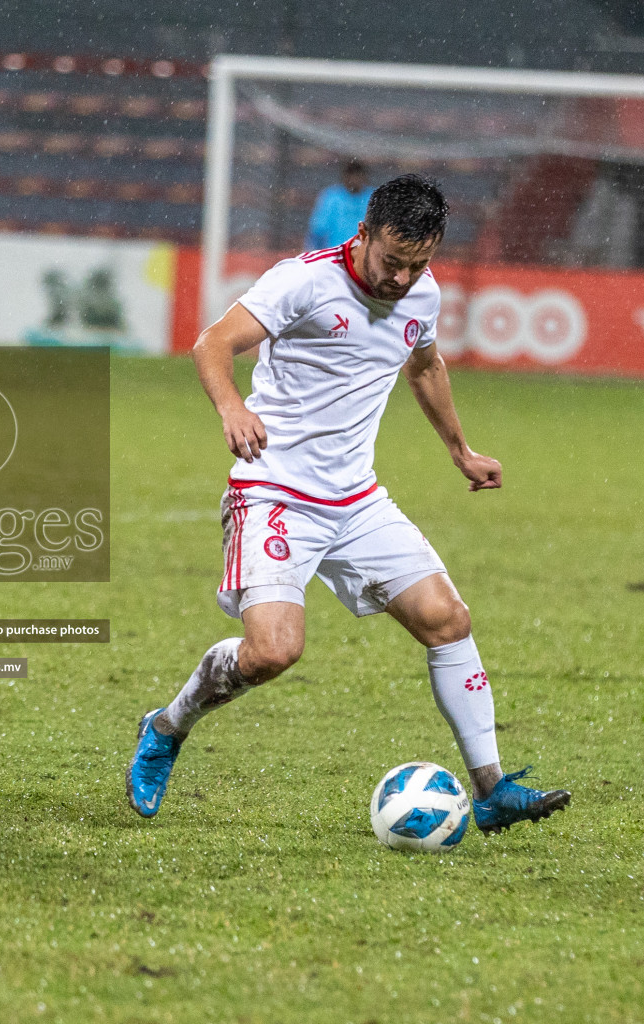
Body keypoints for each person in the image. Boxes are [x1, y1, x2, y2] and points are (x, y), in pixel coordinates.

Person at [127, 174, 571, 834]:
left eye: (417, 263)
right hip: (273, 491)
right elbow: (212, 344)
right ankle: (166, 727)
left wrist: (460, 451)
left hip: (357, 500)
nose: (401, 278)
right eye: (392, 261)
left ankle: (491, 789)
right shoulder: (301, 281)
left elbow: (424, 366)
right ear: (363, 235)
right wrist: (232, 407)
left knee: (448, 620)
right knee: (273, 652)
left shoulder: (423, 291)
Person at [305, 158, 373, 252]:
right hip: (336, 254)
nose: (354, 180)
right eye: (351, 176)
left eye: (357, 176)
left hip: (364, 255)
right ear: (344, 177)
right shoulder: (331, 197)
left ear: (364, 177)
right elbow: (318, 230)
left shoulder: (372, 198)